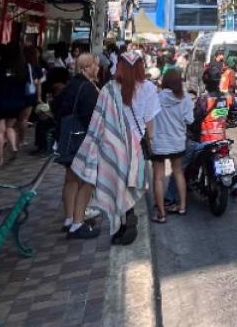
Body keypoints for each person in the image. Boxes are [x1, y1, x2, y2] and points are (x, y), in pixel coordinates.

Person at [71, 49, 160, 241]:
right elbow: (150, 120)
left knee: (114, 185)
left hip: (111, 146)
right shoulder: (148, 88)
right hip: (135, 146)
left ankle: (121, 221)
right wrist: (150, 140)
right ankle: (126, 219)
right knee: (128, 184)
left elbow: (99, 119)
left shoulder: (109, 88)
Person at [53, 52, 102, 239]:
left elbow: (56, 106)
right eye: (95, 66)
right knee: (87, 181)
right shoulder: (87, 88)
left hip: (68, 139)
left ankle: (69, 218)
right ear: (86, 68)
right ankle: (78, 223)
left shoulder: (71, 85)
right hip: (83, 142)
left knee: (71, 179)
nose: (97, 68)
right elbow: (91, 118)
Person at [150, 68, 192, 222]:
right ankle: (182, 207)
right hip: (177, 142)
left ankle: (161, 214)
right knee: (178, 172)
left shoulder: (156, 97)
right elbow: (190, 120)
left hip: (158, 143)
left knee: (158, 177)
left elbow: (148, 118)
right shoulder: (185, 98)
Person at [0, 45, 31, 166]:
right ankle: (13, 147)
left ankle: (0, 159)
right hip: (17, 103)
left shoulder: (2, 68)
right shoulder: (24, 68)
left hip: (2, 102)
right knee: (9, 127)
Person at [17, 45, 45, 150]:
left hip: (17, 95)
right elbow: (39, 83)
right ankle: (21, 140)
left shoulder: (19, 65)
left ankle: (11, 136)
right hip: (29, 95)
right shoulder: (35, 66)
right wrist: (39, 97)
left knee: (16, 119)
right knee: (24, 119)